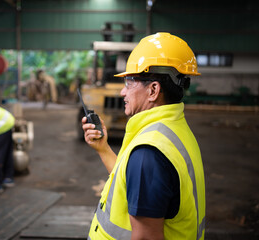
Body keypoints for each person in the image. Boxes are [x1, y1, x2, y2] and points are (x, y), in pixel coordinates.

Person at [82, 32, 206, 239]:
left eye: (129, 83)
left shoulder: (149, 152)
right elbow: (134, 184)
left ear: (153, 90)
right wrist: (103, 149)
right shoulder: (174, 130)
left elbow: (146, 236)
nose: (123, 92)